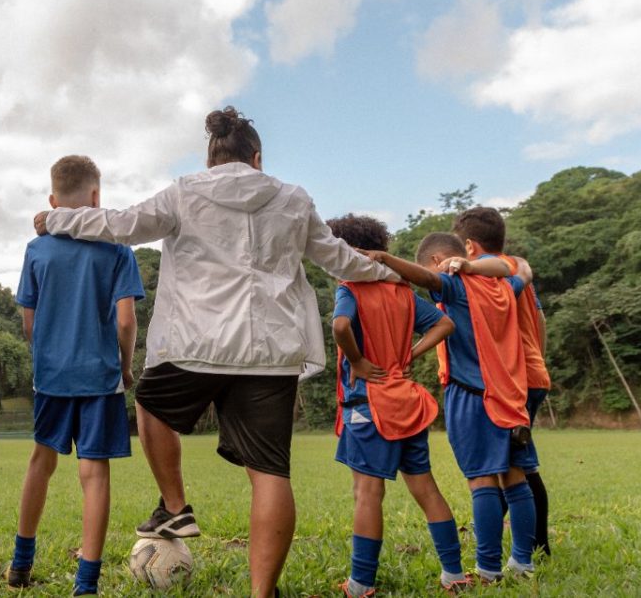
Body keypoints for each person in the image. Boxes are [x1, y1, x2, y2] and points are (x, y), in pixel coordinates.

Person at [32, 107, 399, 598]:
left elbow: (120, 224)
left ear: (211, 159)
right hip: (270, 352)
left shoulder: (185, 191)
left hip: (194, 345)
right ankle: (261, 593)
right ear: (257, 157)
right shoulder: (293, 198)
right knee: (270, 472)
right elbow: (338, 257)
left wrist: (54, 217)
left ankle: (177, 506)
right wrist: (395, 273)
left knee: (149, 405)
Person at [361, 232, 539, 582]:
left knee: (482, 481)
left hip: (474, 396)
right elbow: (525, 270)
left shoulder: (457, 286)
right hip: (513, 398)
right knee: (516, 481)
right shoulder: (504, 288)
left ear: (437, 260)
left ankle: (488, 568)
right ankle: (523, 562)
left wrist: (384, 258)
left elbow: (426, 278)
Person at [6, 156, 146, 596]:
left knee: (41, 462)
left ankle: (20, 564)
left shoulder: (37, 249)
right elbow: (126, 322)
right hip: (100, 376)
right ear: (96, 197)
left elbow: (28, 323)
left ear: (52, 201)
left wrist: (48, 351)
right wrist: (124, 366)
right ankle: (86, 583)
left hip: (52, 375)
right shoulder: (118, 248)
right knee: (94, 473)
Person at [324, 215, 471, 596]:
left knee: (367, 494)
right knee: (427, 489)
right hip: (407, 402)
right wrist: (409, 355)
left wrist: (357, 361)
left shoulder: (351, 289)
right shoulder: (402, 291)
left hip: (369, 404)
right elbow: (444, 325)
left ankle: (360, 584)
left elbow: (340, 327)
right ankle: (454, 575)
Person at [452, 206, 553, 556]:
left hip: (512, 378)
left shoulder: (500, 269)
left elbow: (517, 271)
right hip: (529, 373)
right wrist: (536, 357)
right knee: (513, 463)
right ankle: (520, 542)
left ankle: (532, 546)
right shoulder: (513, 271)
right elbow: (539, 319)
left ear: (468, 245)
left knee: (516, 466)